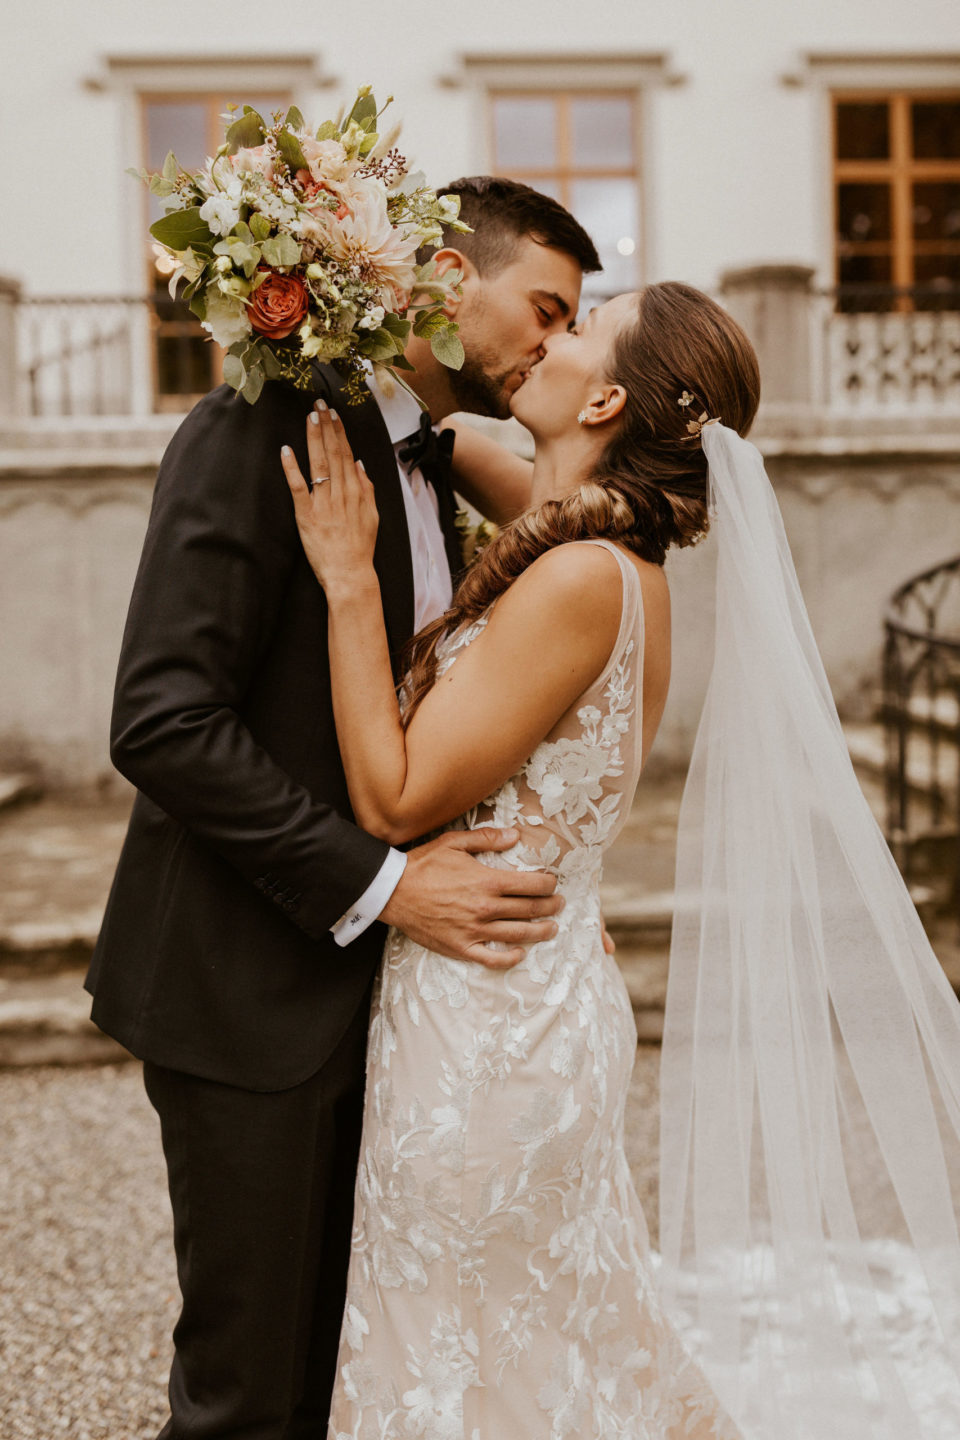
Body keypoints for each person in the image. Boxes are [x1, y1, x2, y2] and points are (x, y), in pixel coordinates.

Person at [85, 177, 602, 1440]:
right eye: (542, 307)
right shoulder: (254, 428)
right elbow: (163, 721)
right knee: (247, 1395)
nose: (552, 342)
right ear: (441, 272)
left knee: (339, 1380)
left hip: (380, 1009)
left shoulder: (430, 459)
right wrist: (388, 884)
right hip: (244, 992)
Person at [282, 282, 757, 1438]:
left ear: (604, 395)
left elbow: (392, 798)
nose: (545, 336)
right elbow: (469, 462)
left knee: (468, 1358)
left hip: (488, 1021)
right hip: (528, 990)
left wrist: (350, 582)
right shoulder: (602, 551)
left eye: (578, 327)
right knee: (529, 1346)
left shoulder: (580, 583)